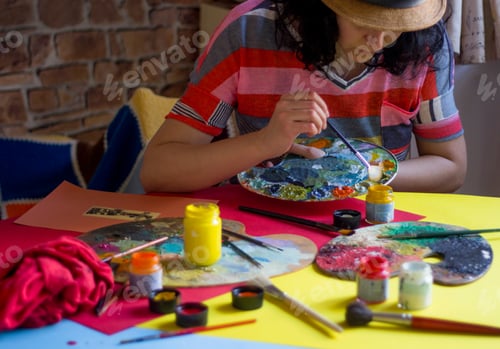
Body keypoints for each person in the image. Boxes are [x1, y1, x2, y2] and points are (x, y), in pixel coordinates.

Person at [140, 0, 467, 194]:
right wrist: (264, 143)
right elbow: (158, 170)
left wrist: (358, 173)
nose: (379, 41)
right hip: (262, 228)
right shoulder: (247, 31)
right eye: (364, 21)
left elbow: (452, 167)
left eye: (395, 25)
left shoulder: (423, 42)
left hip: (375, 227)